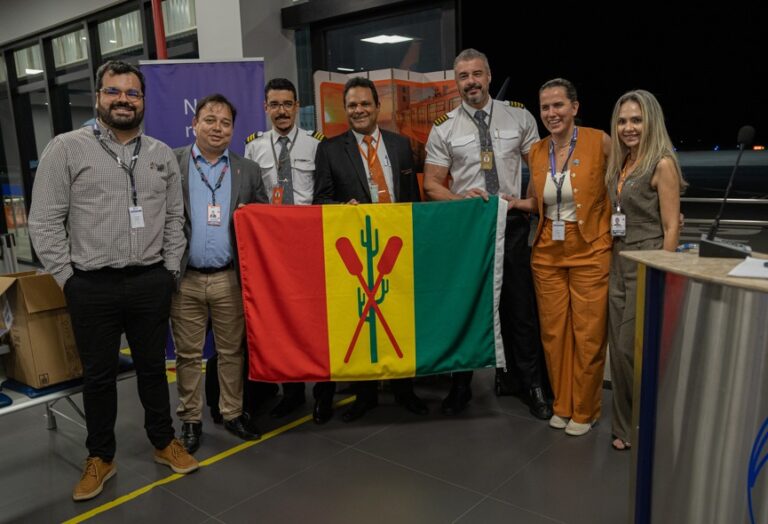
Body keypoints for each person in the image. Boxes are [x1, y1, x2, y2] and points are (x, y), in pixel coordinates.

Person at [28, 60, 198, 502]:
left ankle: (163, 441)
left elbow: (175, 218)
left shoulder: (160, 154)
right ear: (99, 97)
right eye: (114, 92)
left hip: (150, 281)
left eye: (132, 93)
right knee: (99, 377)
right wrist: (69, 280)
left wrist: (169, 271)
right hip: (91, 285)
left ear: (143, 100)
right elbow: (44, 221)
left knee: (153, 369)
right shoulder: (66, 149)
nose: (123, 100)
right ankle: (101, 457)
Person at [423, 48, 551, 419]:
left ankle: (531, 384)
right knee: (465, 308)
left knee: (520, 308)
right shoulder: (444, 127)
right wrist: (459, 199)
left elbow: (540, 169)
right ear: (456, 82)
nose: (471, 82)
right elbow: (432, 184)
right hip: (468, 230)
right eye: (463, 76)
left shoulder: (519, 116)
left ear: (489, 75)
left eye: (477, 74)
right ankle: (461, 386)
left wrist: (527, 204)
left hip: (511, 225)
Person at [313, 76, 428, 423]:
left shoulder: (401, 145)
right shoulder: (330, 150)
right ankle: (365, 396)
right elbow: (320, 199)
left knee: (401, 319)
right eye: (352, 105)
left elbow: (412, 198)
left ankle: (405, 390)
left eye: (365, 103)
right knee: (362, 324)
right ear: (345, 110)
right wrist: (342, 208)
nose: (359, 110)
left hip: (397, 246)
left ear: (378, 107)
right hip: (358, 251)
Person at [512, 78, 612, 436]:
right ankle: (563, 405)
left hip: (590, 247)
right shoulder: (537, 151)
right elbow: (537, 200)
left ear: (574, 107)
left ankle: (585, 410)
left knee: (588, 333)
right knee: (554, 334)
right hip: (547, 251)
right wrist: (512, 203)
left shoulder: (599, 141)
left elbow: (623, 182)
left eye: (558, 105)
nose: (551, 113)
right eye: (545, 107)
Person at [170, 93, 269, 453]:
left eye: (225, 123)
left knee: (231, 352)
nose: (217, 128)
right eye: (210, 120)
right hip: (186, 278)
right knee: (187, 355)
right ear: (194, 124)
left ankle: (233, 412)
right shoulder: (173, 163)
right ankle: (190, 420)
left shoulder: (247, 170)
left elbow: (263, 218)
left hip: (229, 277)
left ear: (233, 130)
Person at [606, 89, 684, 450]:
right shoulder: (622, 162)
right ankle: (624, 427)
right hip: (618, 258)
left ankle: (645, 424)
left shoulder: (662, 163)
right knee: (618, 352)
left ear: (651, 121)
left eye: (636, 120)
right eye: (623, 121)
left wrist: (661, 275)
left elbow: (671, 227)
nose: (628, 127)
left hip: (647, 260)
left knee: (631, 350)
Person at [244, 78, 324, 419]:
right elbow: (251, 197)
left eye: (287, 104)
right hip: (274, 251)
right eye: (274, 104)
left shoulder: (316, 144)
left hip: (310, 244)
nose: (281, 111)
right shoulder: (254, 147)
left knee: (317, 320)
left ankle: (323, 392)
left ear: (297, 106)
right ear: (266, 108)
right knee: (285, 320)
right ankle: (292, 392)